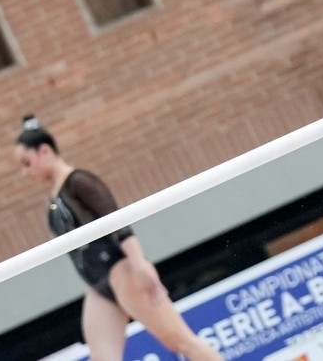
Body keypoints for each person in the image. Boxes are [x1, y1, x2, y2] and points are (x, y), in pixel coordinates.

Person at [13, 116, 223, 361]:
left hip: (121, 271)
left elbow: (117, 220)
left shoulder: (78, 181)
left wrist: (139, 264)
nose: (25, 173)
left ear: (45, 151)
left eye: (27, 163)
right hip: (98, 284)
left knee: (180, 341)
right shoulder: (54, 195)